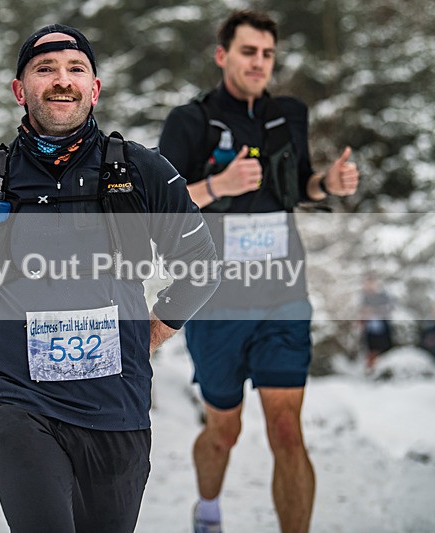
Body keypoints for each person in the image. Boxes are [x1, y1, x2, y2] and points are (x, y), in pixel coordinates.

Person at [0, 24, 220, 533]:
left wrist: (150, 334)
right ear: (20, 90)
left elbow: (202, 265)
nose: (62, 80)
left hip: (117, 404)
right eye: (45, 69)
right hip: (18, 398)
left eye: (76, 69)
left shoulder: (143, 171)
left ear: (95, 87)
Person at [159, 10, 359, 533]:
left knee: (287, 431)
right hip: (215, 302)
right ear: (223, 55)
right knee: (224, 429)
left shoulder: (289, 113)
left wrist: (327, 185)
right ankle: (207, 511)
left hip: (282, 297)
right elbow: (161, 208)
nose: (259, 63)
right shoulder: (190, 120)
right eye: (249, 52)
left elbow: (298, 186)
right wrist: (216, 188)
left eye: (268, 54)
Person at [359, 273, 394, 371]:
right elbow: (362, 312)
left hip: (382, 328)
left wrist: (374, 310)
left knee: (383, 350)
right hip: (370, 329)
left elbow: (389, 308)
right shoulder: (365, 297)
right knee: (371, 351)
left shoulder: (383, 296)